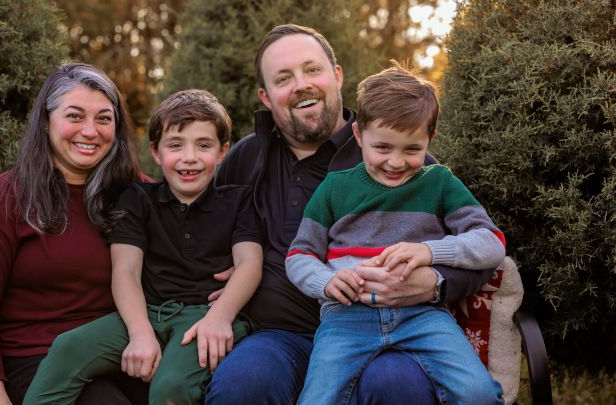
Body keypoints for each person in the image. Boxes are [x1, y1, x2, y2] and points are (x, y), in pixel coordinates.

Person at [206, 24, 496, 404]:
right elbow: (200, 233)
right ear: (266, 96)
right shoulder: (247, 158)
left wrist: (434, 282)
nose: (301, 85)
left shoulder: (401, 155)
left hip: (402, 323)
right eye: (283, 78)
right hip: (279, 335)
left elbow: (481, 249)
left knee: (397, 385)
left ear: (337, 75)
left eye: (312, 69)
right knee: (242, 384)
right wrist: (226, 284)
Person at [23, 89, 263, 405]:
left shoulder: (238, 200)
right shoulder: (138, 199)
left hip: (205, 317)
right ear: (156, 151)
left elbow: (249, 263)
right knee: (68, 348)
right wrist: (139, 334)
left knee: (171, 387)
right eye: (175, 145)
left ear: (222, 152)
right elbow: (126, 271)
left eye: (203, 145)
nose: (189, 157)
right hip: (146, 313)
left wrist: (220, 317)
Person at [285, 62, 505, 405]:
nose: (396, 162)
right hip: (346, 318)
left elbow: (491, 243)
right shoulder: (335, 188)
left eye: (412, 149)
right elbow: (299, 255)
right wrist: (326, 282)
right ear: (359, 135)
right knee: (319, 398)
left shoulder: (440, 183)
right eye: (383, 148)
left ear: (430, 139)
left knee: (479, 393)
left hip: (423, 315)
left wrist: (430, 251)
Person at [0, 63, 147, 405]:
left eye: (103, 118)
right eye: (75, 116)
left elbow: (194, 234)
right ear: (45, 121)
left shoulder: (138, 194)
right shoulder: (3, 202)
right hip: (36, 362)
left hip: (124, 353)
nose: (90, 131)